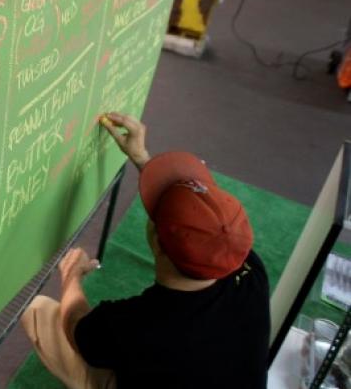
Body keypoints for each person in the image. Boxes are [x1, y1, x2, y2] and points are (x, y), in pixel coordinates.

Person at [21, 112, 270, 389]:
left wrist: (71, 276)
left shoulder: (138, 326)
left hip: (147, 353)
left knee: (39, 311)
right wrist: (142, 159)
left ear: (157, 243)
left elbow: (76, 327)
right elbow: (200, 225)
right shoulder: (250, 268)